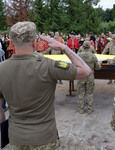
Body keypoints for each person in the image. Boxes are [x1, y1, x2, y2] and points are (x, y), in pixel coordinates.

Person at [0, 21, 92, 150]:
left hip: (16, 138)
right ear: (34, 43)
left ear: (12, 43)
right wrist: (64, 47)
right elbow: (86, 71)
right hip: (45, 138)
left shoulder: (1, 69)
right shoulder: (48, 65)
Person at [77, 41, 101, 114]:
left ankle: (81, 109)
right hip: (90, 77)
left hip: (80, 76)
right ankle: (89, 109)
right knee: (89, 94)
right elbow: (98, 68)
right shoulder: (93, 56)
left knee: (81, 94)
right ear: (90, 47)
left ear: (83, 47)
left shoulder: (78, 55)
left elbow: (74, 65)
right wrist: (99, 64)